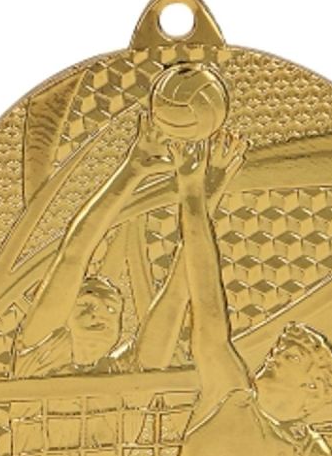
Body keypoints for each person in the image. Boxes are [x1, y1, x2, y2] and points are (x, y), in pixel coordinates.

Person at [169, 136, 332, 456]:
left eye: (292, 356)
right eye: (281, 349)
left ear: (312, 389)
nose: (275, 353)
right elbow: (206, 296)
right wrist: (192, 191)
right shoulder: (227, 394)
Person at [13, 112, 246, 378]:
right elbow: (74, 254)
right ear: (63, 316)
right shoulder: (38, 359)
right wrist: (132, 168)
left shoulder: (127, 373)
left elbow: (179, 289)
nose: (101, 315)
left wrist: (203, 194)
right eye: (87, 306)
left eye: (112, 310)